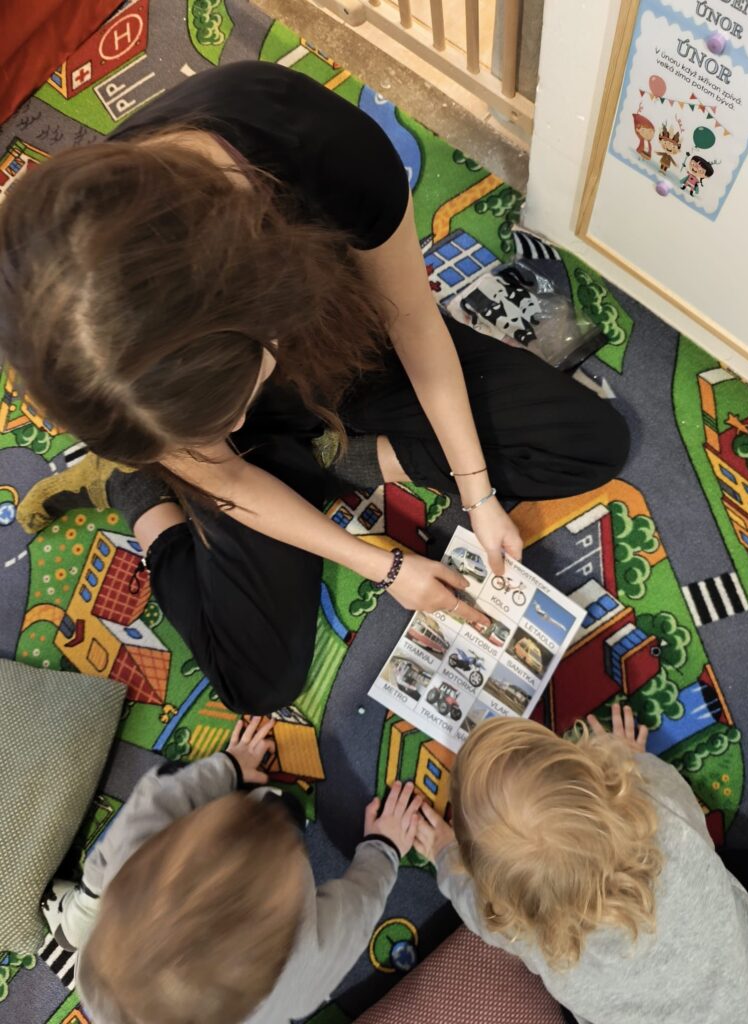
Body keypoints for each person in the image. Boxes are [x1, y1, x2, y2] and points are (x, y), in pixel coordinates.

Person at [0, 61, 629, 714]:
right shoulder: (61, 312)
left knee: (587, 443)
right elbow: (222, 468)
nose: (233, 430)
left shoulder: (327, 154)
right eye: (212, 427)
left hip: (334, 339)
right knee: (258, 682)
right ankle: (135, 486)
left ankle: (333, 458)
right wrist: (385, 567)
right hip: (215, 392)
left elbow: (412, 321)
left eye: (227, 414)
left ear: (266, 306)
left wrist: (480, 494)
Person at [42, 717, 423, 1024]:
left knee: (168, 791)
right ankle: (88, 909)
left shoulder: (137, 851)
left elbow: (158, 801)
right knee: (282, 807)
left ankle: (84, 910)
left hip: (109, 959)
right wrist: (384, 848)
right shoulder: (300, 969)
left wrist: (230, 765)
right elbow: (356, 912)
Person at [414, 705, 748, 1024]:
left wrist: (443, 852)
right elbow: (687, 808)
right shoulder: (657, 814)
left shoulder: (529, 934)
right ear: (595, 774)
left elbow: (479, 912)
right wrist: (634, 760)